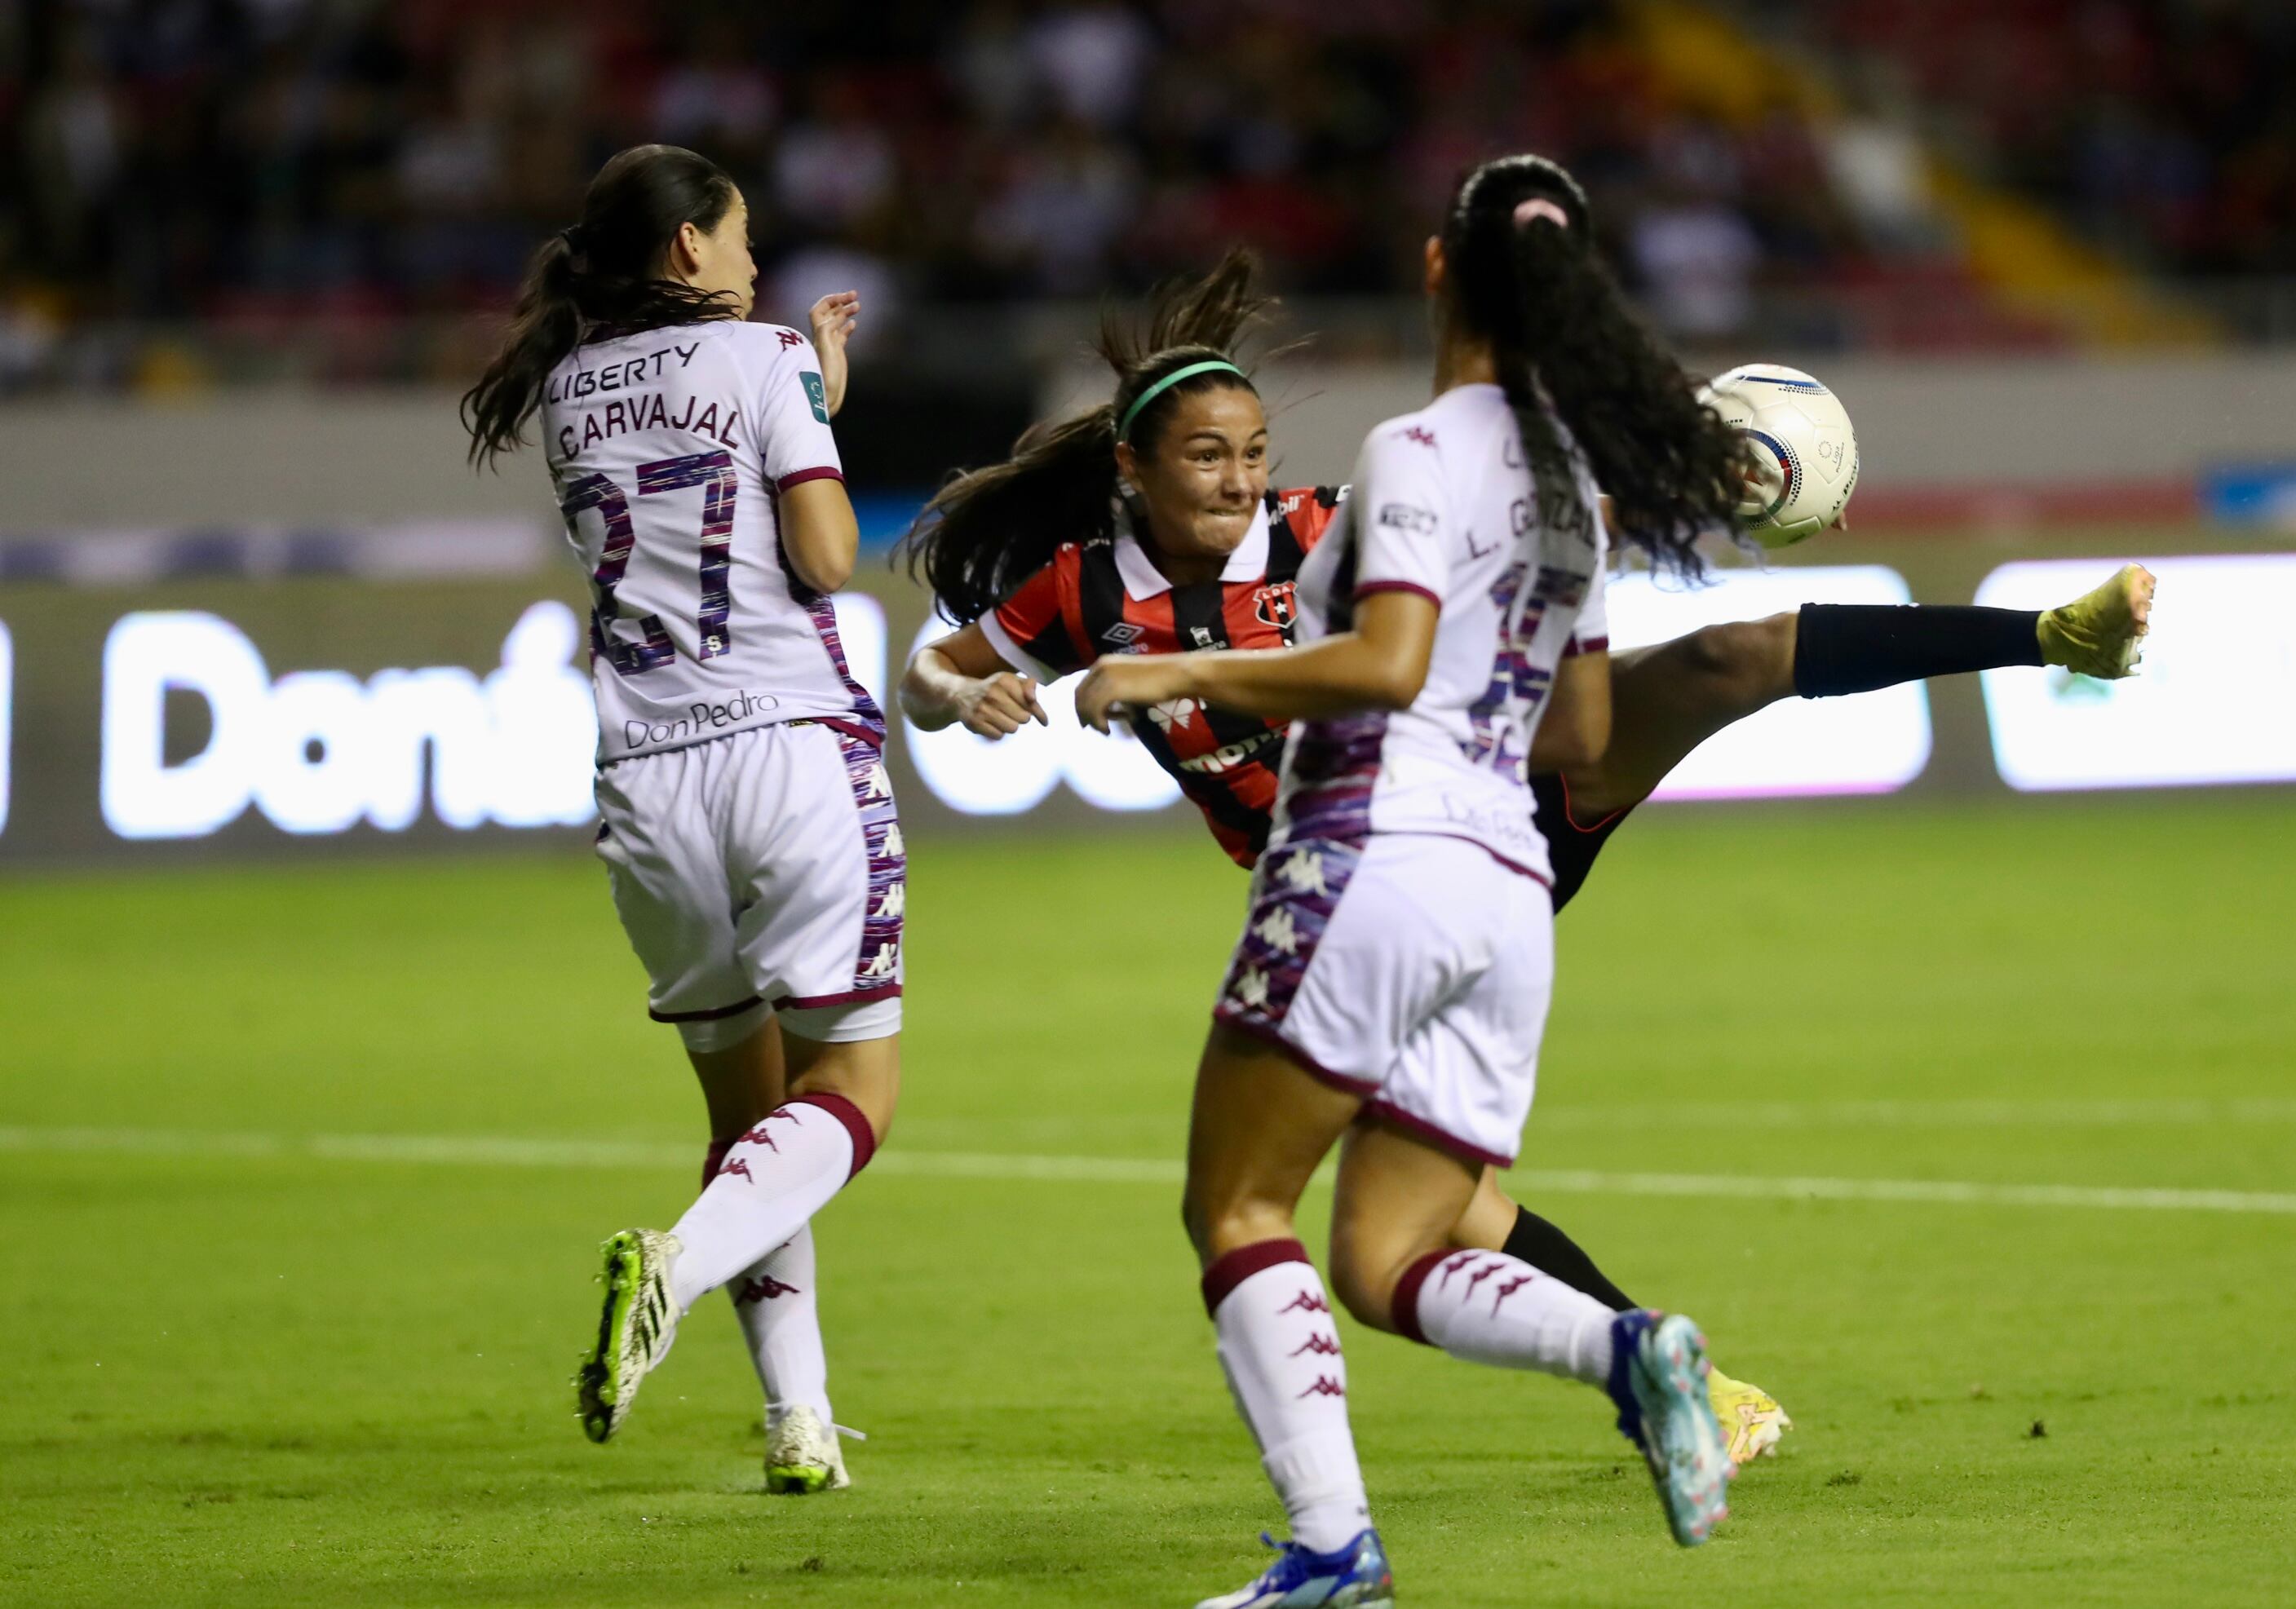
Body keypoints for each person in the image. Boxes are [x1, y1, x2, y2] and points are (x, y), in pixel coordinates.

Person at [900, 251, 2154, 1474]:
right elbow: (933, 672)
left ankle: (2053, 633)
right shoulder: (1077, 592)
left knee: (1729, 660)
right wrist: (972, 700)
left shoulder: (1322, 533)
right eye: (1207, 457)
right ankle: (1684, 1378)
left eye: (1253, 454)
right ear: (1132, 466)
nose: (1239, 480)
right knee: (1445, 1209)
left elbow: (1495, 538)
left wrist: (1669, 486)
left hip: (1496, 804)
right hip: (1349, 894)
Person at [1049, 152, 1745, 1600]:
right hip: (1505, 893)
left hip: (1374, 852)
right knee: (1384, 1257)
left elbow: (1387, 664)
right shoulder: (1570, 487)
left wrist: (1177, 664)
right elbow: (1589, 731)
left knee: (1238, 1207)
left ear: (1440, 269)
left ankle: (1329, 1548)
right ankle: (1627, 1346)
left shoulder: (1418, 449)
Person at [462, 143, 892, 1496]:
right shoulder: (762, 357)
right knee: (850, 1091)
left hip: (646, 781)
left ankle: (800, 1420)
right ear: (688, 251)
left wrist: (797, 389)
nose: (759, 260)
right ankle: (675, 1264)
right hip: (786, 751)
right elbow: (824, 557)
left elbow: (675, 479)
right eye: (743, 234)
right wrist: (815, 403)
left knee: (744, 1115)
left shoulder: (567, 395)